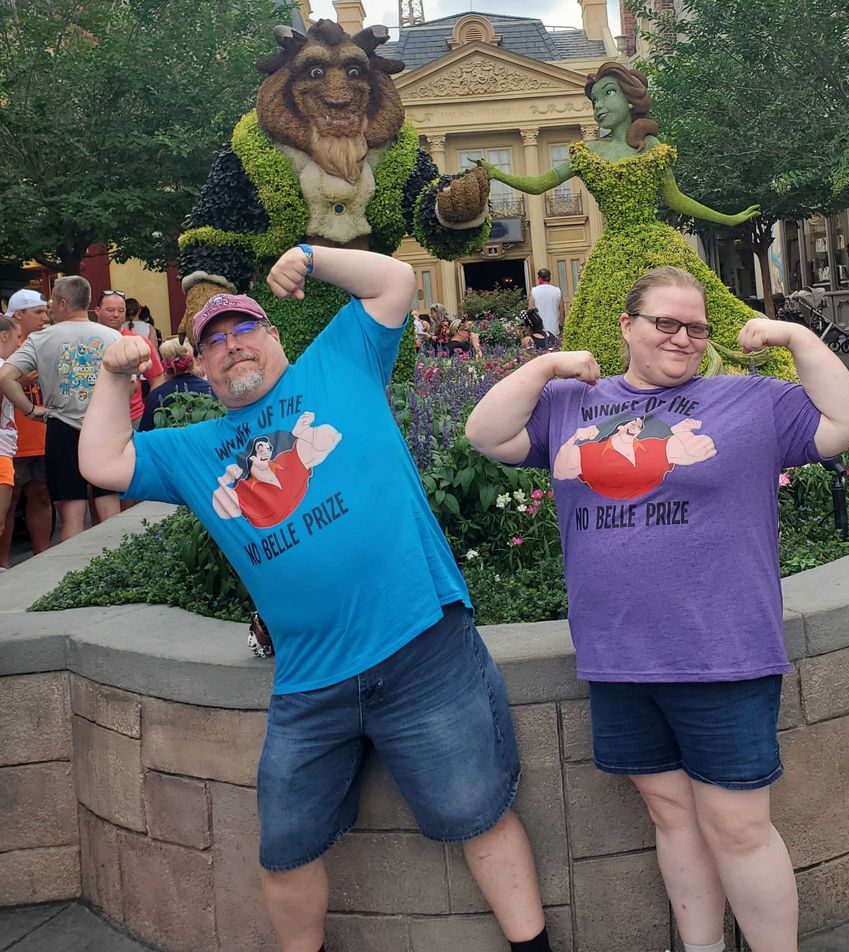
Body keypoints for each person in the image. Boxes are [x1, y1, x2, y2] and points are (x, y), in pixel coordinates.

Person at [78, 246, 554, 952]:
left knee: (475, 813)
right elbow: (101, 463)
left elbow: (395, 282)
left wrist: (309, 256)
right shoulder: (192, 449)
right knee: (287, 847)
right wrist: (114, 376)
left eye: (245, 331)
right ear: (200, 370)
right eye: (214, 342)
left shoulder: (338, 364)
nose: (232, 347)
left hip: (423, 645)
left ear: (275, 338)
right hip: (309, 681)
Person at [465, 265, 849, 952]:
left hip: (723, 651)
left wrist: (795, 336)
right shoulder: (571, 403)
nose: (684, 338)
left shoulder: (749, 401)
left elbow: (847, 420)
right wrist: (549, 366)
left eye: (697, 327)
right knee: (670, 815)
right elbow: (486, 434)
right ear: (626, 326)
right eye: (666, 323)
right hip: (619, 654)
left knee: (737, 826)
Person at [473, 61, 792, 380]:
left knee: (693, 307)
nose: (599, 106)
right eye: (594, 100)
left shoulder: (651, 148)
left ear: (629, 99)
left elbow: (676, 199)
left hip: (658, 248)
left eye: (607, 94)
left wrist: (728, 217)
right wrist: (497, 173)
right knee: (610, 321)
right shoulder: (585, 153)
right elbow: (539, 183)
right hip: (612, 257)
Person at [0, 276, 122, 541]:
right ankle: (119, 564)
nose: (51, 306)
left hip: (62, 426)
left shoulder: (41, 339)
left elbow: (6, 377)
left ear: (64, 303)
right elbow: (132, 385)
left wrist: (31, 410)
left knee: (72, 509)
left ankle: (72, 573)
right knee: (108, 500)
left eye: (53, 301)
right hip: (105, 427)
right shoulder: (114, 336)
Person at [0, 289, 52, 566]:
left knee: (42, 495)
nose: (45, 318)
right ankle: (3, 563)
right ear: (18, 315)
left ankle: (43, 558)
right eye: (38, 312)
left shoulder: (48, 341)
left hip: (40, 434)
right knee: (8, 501)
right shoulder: (6, 341)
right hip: (11, 438)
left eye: (46, 311)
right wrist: (16, 383)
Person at [94, 291, 166, 428]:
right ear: (97, 311)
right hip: (95, 416)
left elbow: (157, 378)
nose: (116, 314)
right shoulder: (88, 339)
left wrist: (150, 409)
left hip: (132, 416)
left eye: (121, 310)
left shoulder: (139, 341)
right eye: (110, 310)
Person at [138, 338, 215, 432]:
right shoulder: (211, 389)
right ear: (192, 361)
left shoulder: (156, 396)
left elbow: (145, 433)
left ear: (165, 365)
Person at [0, 317, 22, 549]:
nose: (19, 344)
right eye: (17, 337)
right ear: (3, 336)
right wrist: (32, 409)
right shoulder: (2, 368)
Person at [528, 268, 563, 337]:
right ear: (549, 278)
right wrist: (561, 325)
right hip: (554, 328)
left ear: (539, 278)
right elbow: (562, 310)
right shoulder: (557, 291)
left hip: (539, 329)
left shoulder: (534, 291)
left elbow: (530, 310)